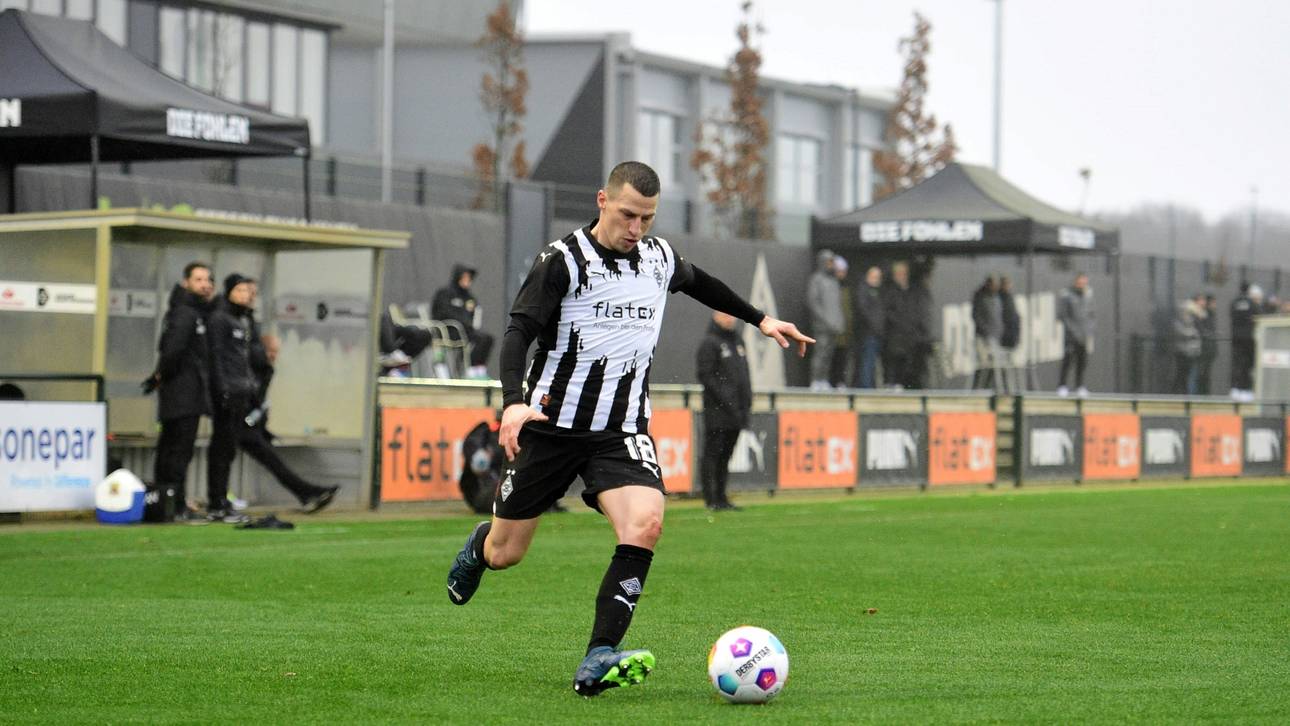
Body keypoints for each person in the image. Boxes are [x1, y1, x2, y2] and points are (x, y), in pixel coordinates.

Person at [443, 161, 812, 697]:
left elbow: (703, 283)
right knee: (507, 553)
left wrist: (761, 320)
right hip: (550, 426)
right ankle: (479, 547)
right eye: (627, 215)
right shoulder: (561, 261)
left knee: (645, 523)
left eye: (647, 217)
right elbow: (518, 332)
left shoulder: (659, 258)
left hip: (619, 429)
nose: (636, 228)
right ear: (602, 201)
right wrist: (513, 404)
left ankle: (598, 655)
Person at [236, 288, 339, 514]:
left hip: (249, 421)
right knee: (269, 460)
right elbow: (253, 397)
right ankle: (307, 492)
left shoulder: (265, 370)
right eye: (271, 352)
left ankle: (307, 492)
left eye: (276, 352)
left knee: (269, 458)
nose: (274, 356)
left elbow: (260, 401)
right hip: (238, 419)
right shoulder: (254, 368)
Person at [146, 261, 214, 523]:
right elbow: (172, 352)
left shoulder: (188, 311)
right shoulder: (185, 313)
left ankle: (168, 504)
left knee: (171, 450)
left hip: (181, 393)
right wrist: (162, 375)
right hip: (182, 395)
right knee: (178, 451)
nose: (205, 284)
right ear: (186, 282)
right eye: (198, 279)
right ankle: (174, 506)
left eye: (207, 279)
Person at [203, 274, 263, 524]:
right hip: (227, 393)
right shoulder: (220, 319)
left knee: (228, 450)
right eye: (239, 290)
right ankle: (216, 502)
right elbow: (215, 356)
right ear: (228, 292)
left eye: (247, 291)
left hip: (240, 391)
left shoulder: (242, 321)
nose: (245, 295)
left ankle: (222, 501)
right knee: (221, 447)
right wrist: (223, 388)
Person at [695, 311, 752, 511]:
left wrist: (745, 402)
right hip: (717, 412)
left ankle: (722, 496)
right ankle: (711, 499)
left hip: (737, 411)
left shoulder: (738, 342)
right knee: (713, 454)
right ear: (715, 315)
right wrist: (724, 400)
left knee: (726, 455)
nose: (730, 317)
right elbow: (706, 376)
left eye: (732, 314)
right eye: (725, 314)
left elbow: (744, 376)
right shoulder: (709, 343)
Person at [432, 265, 494, 379]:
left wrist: (472, 319)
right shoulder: (445, 293)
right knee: (479, 338)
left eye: (469, 278)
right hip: (448, 330)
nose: (467, 280)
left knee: (487, 338)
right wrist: (462, 322)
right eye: (464, 277)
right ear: (458, 277)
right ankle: (470, 371)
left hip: (466, 331)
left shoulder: (469, 297)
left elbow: (474, 313)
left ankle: (477, 369)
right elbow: (440, 313)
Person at [882, 261, 933, 390]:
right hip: (895, 335)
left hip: (911, 336)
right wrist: (900, 323)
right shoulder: (890, 291)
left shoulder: (913, 291)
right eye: (899, 274)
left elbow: (917, 312)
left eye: (904, 273)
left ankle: (905, 385)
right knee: (894, 361)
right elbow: (888, 312)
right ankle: (892, 384)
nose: (902, 276)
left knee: (910, 363)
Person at [806, 250, 842, 390]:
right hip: (821, 326)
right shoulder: (816, 280)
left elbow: (837, 305)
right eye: (828, 262)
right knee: (820, 354)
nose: (830, 265)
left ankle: (824, 380)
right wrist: (826, 320)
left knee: (829, 355)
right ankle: (815, 380)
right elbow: (813, 303)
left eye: (832, 262)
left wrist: (839, 322)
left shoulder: (834, 281)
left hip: (833, 326)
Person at [1056, 273, 1094, 397]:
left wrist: (1088, 331)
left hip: (1083, 335)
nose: (1082, 284)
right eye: (1079, 282)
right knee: (1068, 360)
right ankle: (1062, 386)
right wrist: (1073, 331)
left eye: (1084, 282)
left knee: (1082, 361)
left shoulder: (1087, 296)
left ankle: (1080, 386)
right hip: (1071, 336)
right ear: (1075, 282)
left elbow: (1091, 315)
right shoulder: (1067, 295)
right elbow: (1063, 315)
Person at [854, 266, 885, 389]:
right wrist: (875, 326)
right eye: (874, 277)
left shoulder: (877, 292)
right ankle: (866, 387)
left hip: (876, 332)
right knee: (868, 360)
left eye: (878, 277)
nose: (876, 279)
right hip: (868, 332)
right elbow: (864, 311)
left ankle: (870, 385)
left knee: (871, 362)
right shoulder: (864, 290)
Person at [1229, 282, 1261, 401]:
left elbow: (1232, 316)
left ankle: (1234, 389)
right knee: (1247, 365)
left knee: (1236, 363)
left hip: (1236, 337)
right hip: (1248, 338)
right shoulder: (1252, 303)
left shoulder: (1234, 303)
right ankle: (1245, 390)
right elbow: (1258, 317)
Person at [970, 275, 1003, 390]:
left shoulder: (997, 297)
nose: (995, 287)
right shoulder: (980, 297)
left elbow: (998, 318)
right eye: (993, 285)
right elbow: (976, 316)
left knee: (993, 366)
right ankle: (976, 390)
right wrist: (985, 331)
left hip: (994, 338)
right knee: (982, 366)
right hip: (982, 338)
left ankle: (987, 389)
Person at [378, 309, 433, 376]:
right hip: (386, 347)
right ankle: (392, 359)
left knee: (425, 335)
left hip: (393, 338)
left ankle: (397, 359)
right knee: (384, 317)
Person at [1171, 294, 1204, 395]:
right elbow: (1183, 333)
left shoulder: (1194, 321)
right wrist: (1193, 333)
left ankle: (1186, 393)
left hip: (1192, 351)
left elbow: (1202, 320)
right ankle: (1177, 393)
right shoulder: (1178, 322)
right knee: (1181, 373)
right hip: (1182, 351)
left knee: (1189, 373)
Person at [830, 257, 854, 387]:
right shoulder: (830, 286)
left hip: (844, 330)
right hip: (831, 328)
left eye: (843, 271)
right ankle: (830, 381)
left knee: (842, 358)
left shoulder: (847, 287)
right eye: (839, 271)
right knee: (831, 357)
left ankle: (840, 381)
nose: (841, 274)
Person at [1195, 293, 1218, 395]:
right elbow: (1205, 331)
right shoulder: (1206, 315)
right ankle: (1203, 393)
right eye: (1213, 303)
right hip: (1205, 349)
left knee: (1205, 372)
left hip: (1208, 349)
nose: (1215, 305)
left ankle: (1204, 392)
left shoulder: (1210, 315)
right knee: (1203, 373)